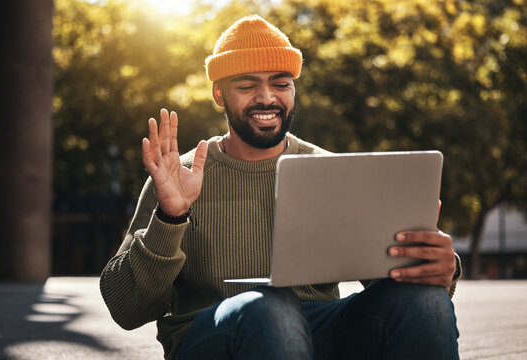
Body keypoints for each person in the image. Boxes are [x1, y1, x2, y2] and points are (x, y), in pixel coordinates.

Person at [100, 15, 461, 360]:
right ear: (219, 94)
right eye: (247, 85)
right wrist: (170, 216)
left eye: (280, 83)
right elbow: (127, 309)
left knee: (423, 300)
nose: (267, 98)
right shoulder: (176, 178)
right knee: (270, 306)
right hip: (215, 338)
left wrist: (434, 267)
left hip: (317, 332)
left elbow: (396, 286)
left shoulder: (332, 172)